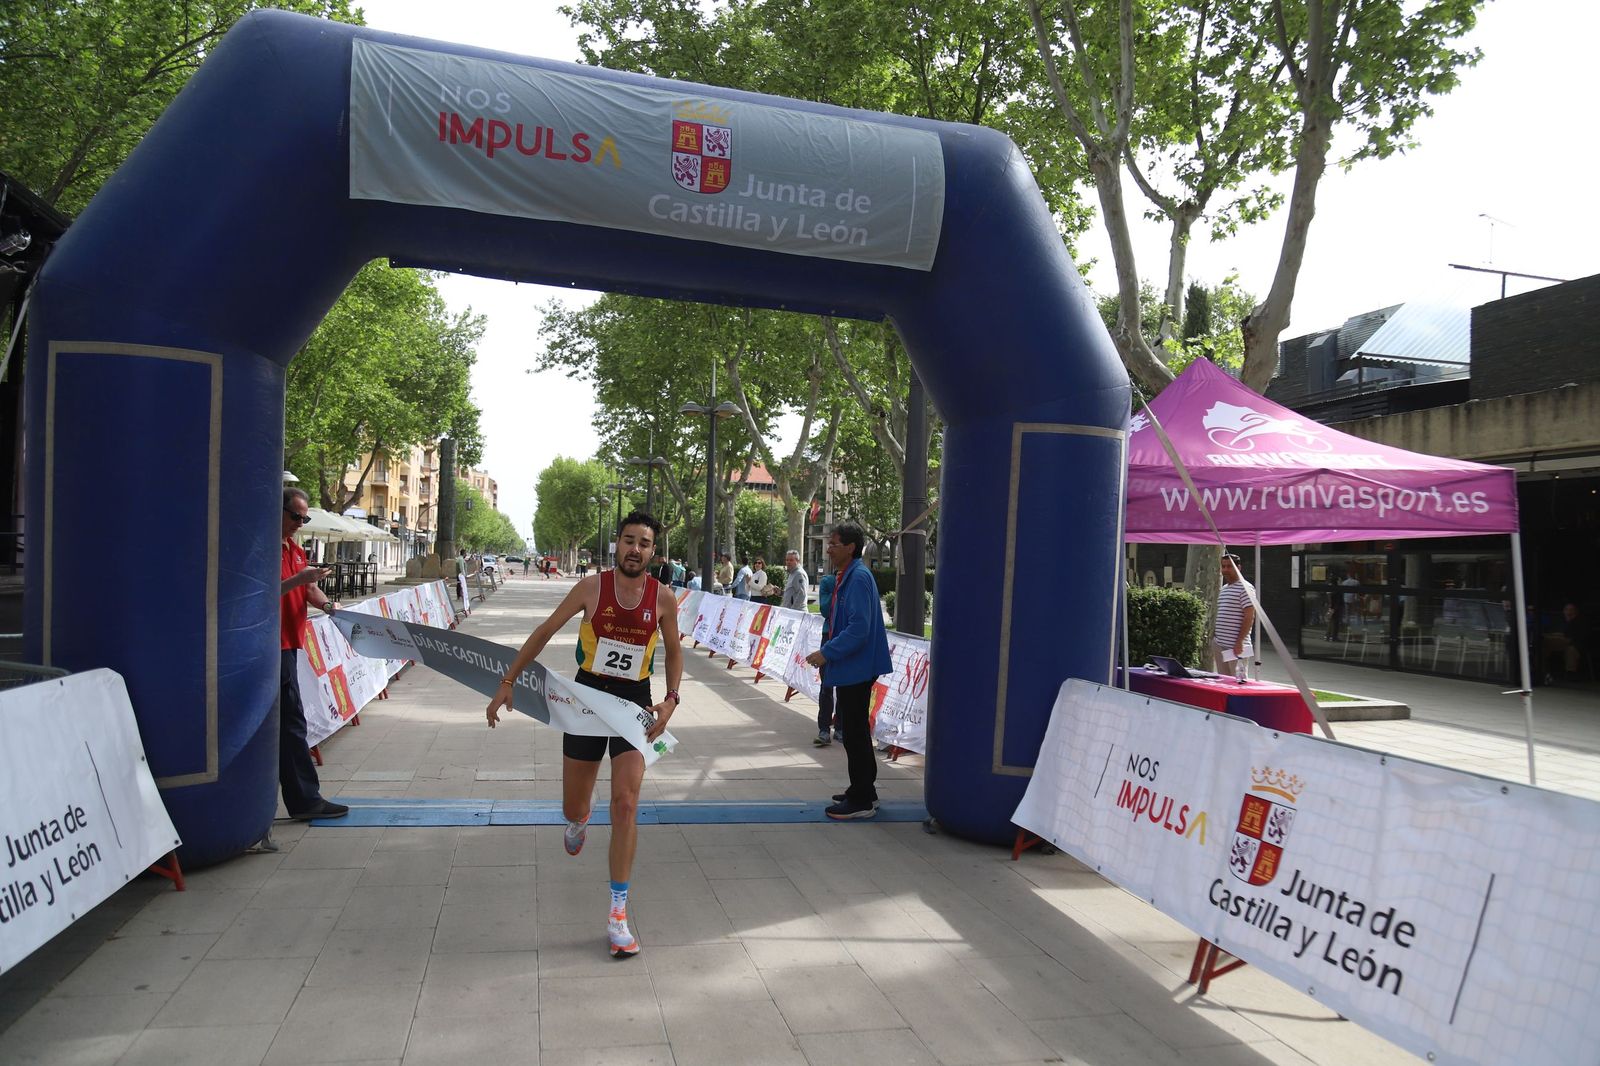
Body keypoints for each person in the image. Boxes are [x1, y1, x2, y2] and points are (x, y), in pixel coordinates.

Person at [485, 511, 683, 959]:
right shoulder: (592, 588)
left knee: (627, 804)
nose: (636, 549)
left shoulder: (664, 598)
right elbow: (544, 631)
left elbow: (673, 652)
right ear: (616, 544)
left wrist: (671, 699)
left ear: (654, 551)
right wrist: (507, 682)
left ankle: (617, 914)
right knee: (575, 806)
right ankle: (579, 818)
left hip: (634, 705)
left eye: (645, 543)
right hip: (585, 702)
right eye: (629, 540)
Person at [805, 524, 891, 819]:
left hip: (858, 668)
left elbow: (859, 629)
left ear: (851, 547)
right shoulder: (850, 576)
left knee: (854, 733)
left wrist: (826, 653)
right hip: (854, 667)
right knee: (854, 732)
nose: (828, 548)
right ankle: (864, 789)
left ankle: (863, 800)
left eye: (834, 544)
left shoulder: (858, 579)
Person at [279, 488, 349, 821]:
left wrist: (327, 604)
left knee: (288, 723)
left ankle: (302, 797)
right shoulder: (266, 548)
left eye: (304, 518)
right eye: (295, 516)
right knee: (291, 724)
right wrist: (298, 580)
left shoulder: (294, 549)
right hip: (272, 647)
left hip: (291, 644)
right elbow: (264, 590)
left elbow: (307, 588)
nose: (299, 523)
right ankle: (305, 799)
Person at [1213, 553, 1256, 676]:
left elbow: (1249, 616)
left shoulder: (1246, 588)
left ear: (1239, 567)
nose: (1225, 570)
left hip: (1236, 647)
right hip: (1220, 644)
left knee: (1239, 681)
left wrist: (1240, 641)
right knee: (1224, 681)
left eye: (1229, 566)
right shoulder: (1224, 589)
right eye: (1223, 566)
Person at [813, 560, 841, 746]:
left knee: (846, 686)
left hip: (847, 638)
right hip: (829, 635)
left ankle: (841, 727)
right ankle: (824, 729)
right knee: (827, 685)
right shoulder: (828, 582)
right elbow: (825, 610)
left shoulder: (857, 581)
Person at [1543, 603, 1591, 682]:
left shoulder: (1581, 622)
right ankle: (1543, 670)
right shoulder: (1559, 621)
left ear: (1576, 611)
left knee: (1571, 650)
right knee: (1544, 643)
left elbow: (1577, 636)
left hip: (1575, 644)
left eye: (1571, 610)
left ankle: (1570, 674)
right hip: (1557, 643)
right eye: (1567, 610)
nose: (1569, 612)